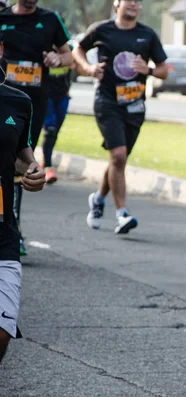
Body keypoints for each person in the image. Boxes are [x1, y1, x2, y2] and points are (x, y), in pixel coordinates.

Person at [73, 0, 168, 234]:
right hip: (107, 102)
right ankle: (122, 214)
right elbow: (78, 49)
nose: (134, 4)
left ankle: (98, 198)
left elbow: (164, 69)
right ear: (117, 4)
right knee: (118, 155)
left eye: (138, 1)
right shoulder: (101, 29)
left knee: (119, 160)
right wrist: (88, 68)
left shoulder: (147, 35)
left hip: (135, 106)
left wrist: (150, 70)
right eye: (129, 0)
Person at [0, 0, 72, 255]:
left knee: (21, 162)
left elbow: (69, 56)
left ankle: (11, 227)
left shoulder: (51, 19)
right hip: (3, 98)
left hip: (30, 104)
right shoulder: (3, 16)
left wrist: (57, 57)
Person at [0, 30, 47, 363]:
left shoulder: (18, 101)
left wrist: (33, 168)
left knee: (2, 333)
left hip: (3, 232)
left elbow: (20, 154)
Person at [42, 45, 75, 184]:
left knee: (55, 133)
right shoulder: (43, 48)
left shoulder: (69, 51)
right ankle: (48, 167)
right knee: (50, 130)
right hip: (45, 96)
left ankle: (45, 162)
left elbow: (76, 67)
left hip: (62, 97)